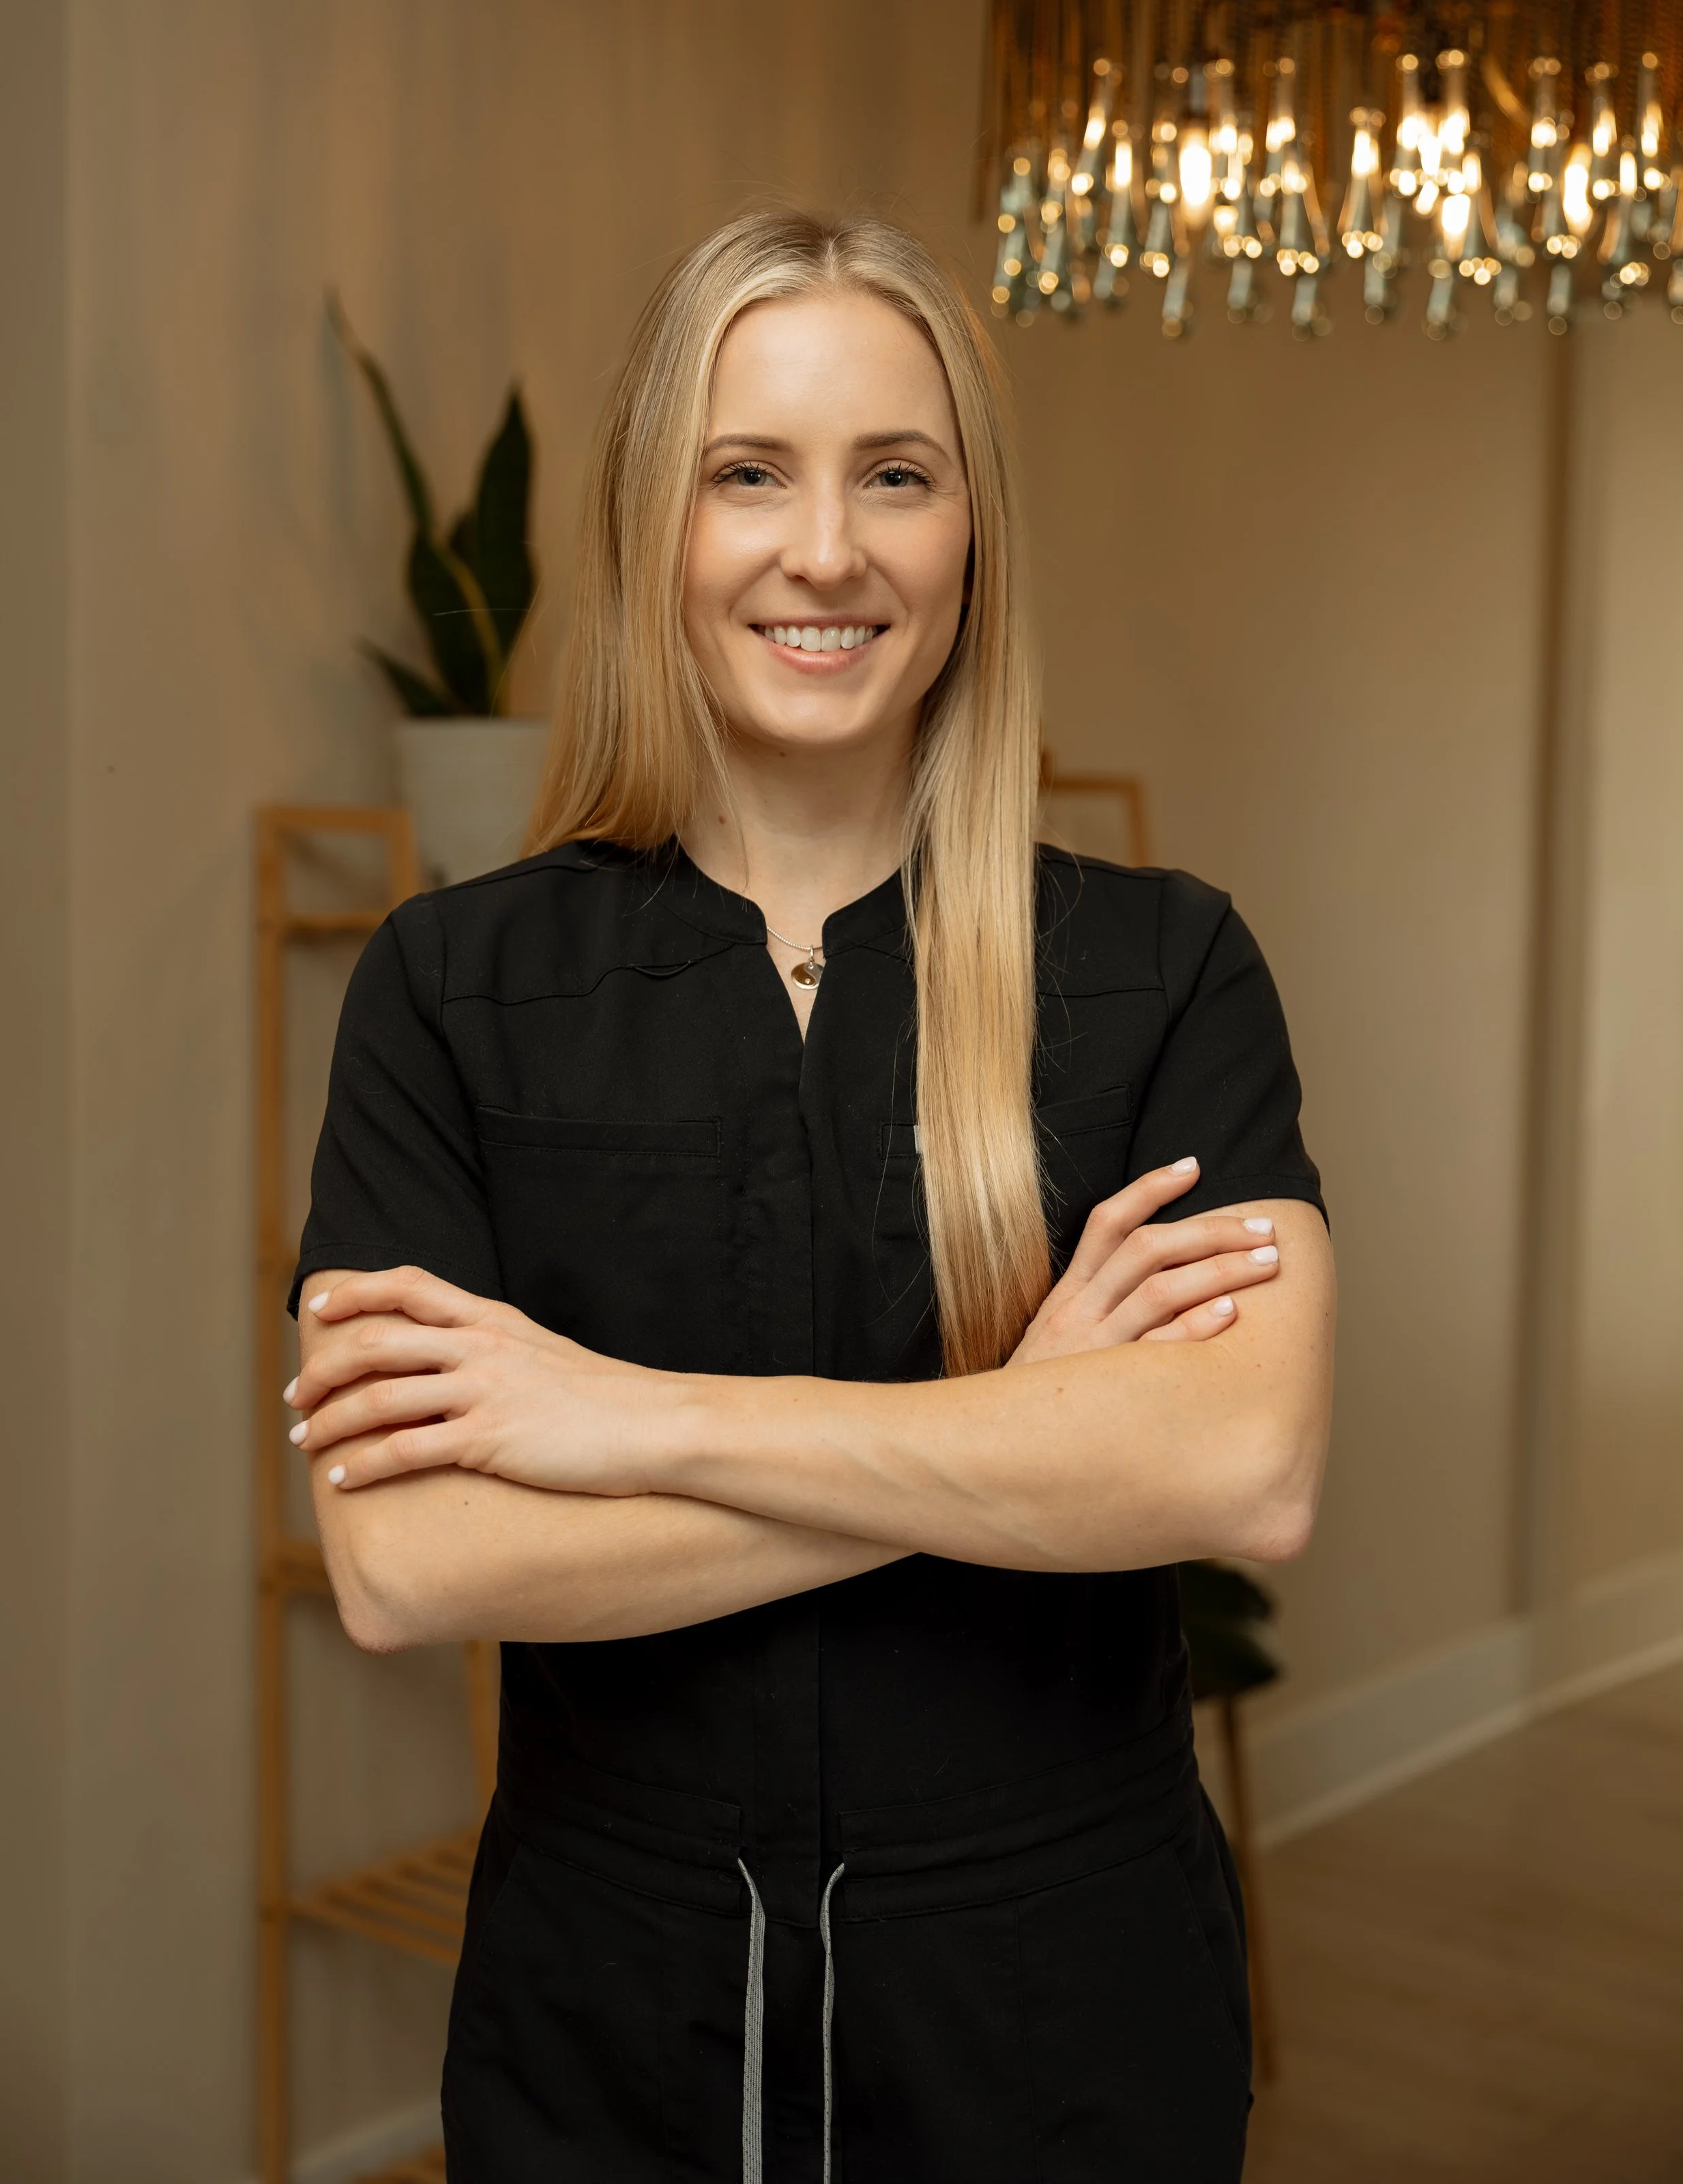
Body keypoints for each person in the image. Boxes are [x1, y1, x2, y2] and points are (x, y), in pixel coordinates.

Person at [284, 211, 1335, 2184]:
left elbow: (1239, 1468)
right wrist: (1021, 1435)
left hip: (1065, 2019)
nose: (827, 551)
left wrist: (620, 1420)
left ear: (974, 534)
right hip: (608, 2026)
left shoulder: (1166, 970)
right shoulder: (451, 989)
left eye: (898, 476)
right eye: (749, 473)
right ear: (649, 525)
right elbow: (410, 1561)